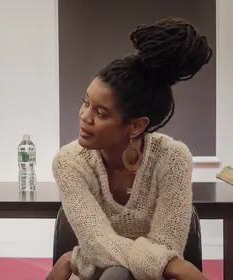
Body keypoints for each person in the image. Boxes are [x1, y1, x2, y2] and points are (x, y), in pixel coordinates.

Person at [48, 18, 213, 280]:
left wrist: (77, 259)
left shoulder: (173, 158)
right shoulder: (70, 162)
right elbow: (96, 242)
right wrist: (173, 265)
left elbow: (166, 246)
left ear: (135, 126)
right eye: (86, 102)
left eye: (100, 113)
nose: (84, 116)